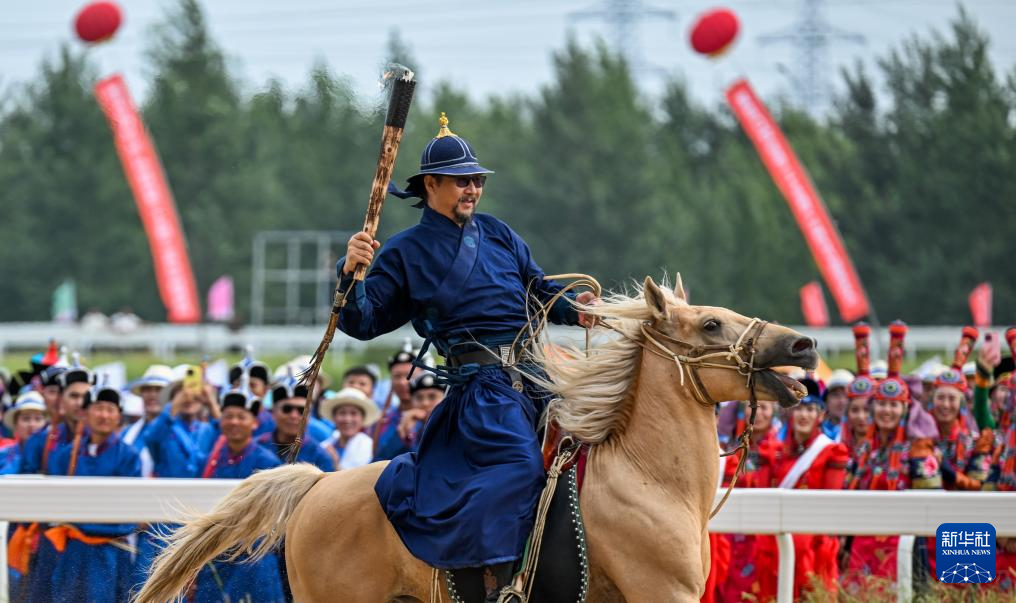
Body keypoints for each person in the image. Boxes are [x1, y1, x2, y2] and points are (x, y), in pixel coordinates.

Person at [336, 113, 596, 601]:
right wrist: (350, 275)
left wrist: (573, 309)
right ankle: (501, 583)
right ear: (431, 184)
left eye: (476, 179)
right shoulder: (404, 251)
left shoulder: (497, 233)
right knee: (521, 469)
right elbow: (363, 321)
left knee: (597, 456)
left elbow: (537, 288)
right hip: (482, 396)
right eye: (462, 180)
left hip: (537, 377)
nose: (473, 189)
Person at [843, 322, 942, 595]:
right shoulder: (864, 449)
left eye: (893, 405)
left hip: (904, 544)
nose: (887, 410)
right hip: (862, 542)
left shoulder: (919, 450)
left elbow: (932, 504)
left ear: (905, 408)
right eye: (882, 404)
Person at [36, 384, 141, 603]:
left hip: (110, 552)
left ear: (118, 416)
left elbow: (129, 511)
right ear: (85, 413)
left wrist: (82, 524)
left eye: (110, 409)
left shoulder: (128, 457)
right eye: (98, 408)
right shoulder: (66, 455)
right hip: (72, 550)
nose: (104, 415)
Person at [753, 386, 849, 601]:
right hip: (775, 543)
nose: (804, 415)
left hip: (814, 545)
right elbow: (762, 498)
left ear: (820, 415)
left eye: (810, 409)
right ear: (789, 413)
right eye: (798, 409)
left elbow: (830, 506)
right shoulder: (772, 452)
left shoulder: (831, 452)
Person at [192, 385, 285, 603]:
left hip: (254, 555)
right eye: (229, 416)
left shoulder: (267, 462)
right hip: (216, 552)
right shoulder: (211, 459)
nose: (234, 422)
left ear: (253, 422)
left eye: (241, 417)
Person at [256, 376, 335, 471]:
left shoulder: (320, 457)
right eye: (287, 409)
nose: (294, 415)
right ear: (273, 413)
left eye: (302, 410)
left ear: (310, 416)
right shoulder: (256, 447)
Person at [121, 364, 173, 478]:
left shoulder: (178, 432)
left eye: (159, 390)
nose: (152, 395)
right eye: (147, 389)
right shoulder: (127, 433)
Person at [371, 344, 418, 460]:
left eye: (409, 376)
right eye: (397, 376)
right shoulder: (381, 422)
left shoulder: (433, 418)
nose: (403, 382)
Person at [321, 387, 380, 470]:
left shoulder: (366, 445)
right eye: (342, 413)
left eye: (354, 413)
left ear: (362, 418)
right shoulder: (327, 444)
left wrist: (335, 462)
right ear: (334, 417)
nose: (347, 419)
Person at [0, 391, 47, 475]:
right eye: (26, 419)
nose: (32, 424)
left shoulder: (52, 455)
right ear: (15, 423)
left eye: (38, 419)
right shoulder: (3, 455)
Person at [397, 373, 446, 451]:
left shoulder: (455, 425)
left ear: (445, 399)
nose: (425, 403)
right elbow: (383, 458)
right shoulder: (406, 423)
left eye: (432, 396)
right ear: (411, 401)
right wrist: (405, 434)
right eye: (419, 398)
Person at [821, 369, 853, 441]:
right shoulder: (817, 431)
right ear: (826, 401)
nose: (841, 401)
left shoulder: (862, 433)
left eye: (846, 395)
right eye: (835, 395)